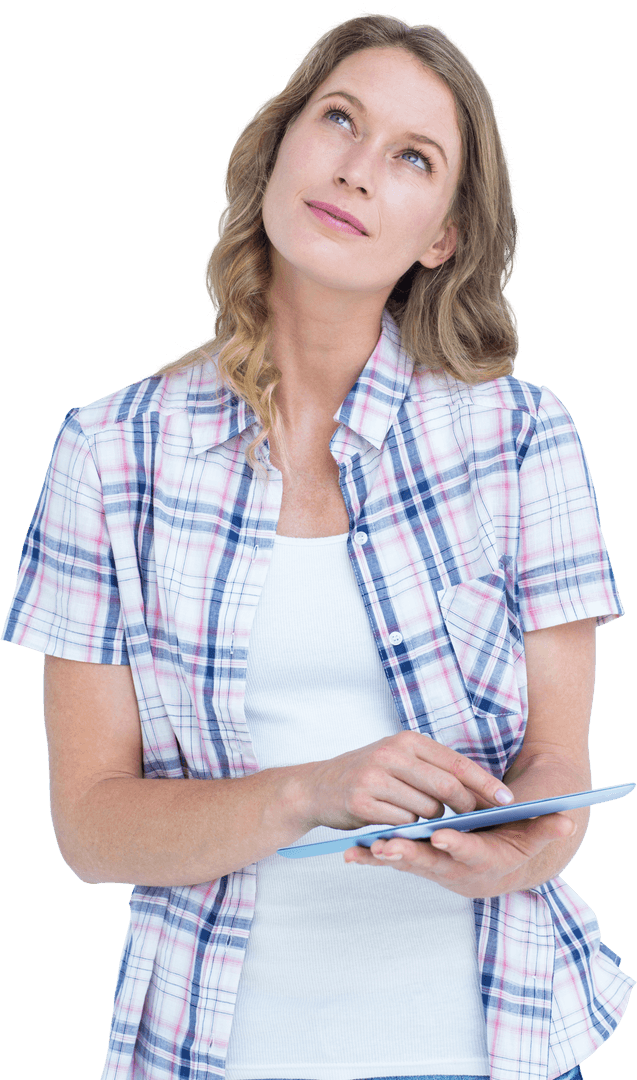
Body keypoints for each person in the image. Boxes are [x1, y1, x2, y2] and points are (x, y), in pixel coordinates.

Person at [1, 12, 633, 1080]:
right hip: (211, 1050)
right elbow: (90, 830)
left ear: (441, 236)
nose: (357, 170)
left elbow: (557, 767)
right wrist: (307, 791)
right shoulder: (108, 453)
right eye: (339, 120)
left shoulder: (522, 436)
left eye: (411, 158)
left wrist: (523, 853)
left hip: (494, 1039)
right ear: (279, 145)